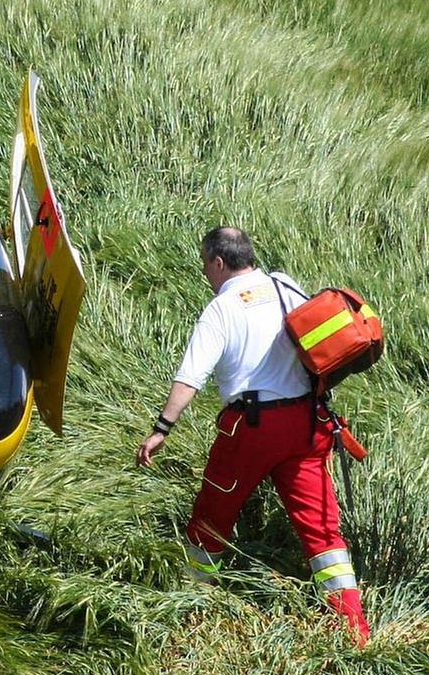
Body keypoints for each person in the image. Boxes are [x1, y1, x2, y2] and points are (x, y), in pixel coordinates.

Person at [135, 226, 371, 645]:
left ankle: (190, 608)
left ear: (219, 262)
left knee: (212, 516)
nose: (206, 272)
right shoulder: (285, 286)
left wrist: (161, 429)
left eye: (206, 263)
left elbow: (190, 378)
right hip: (305, 424)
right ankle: (354, 632)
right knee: (323, 533)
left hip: (251, 428)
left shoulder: (221, 309)